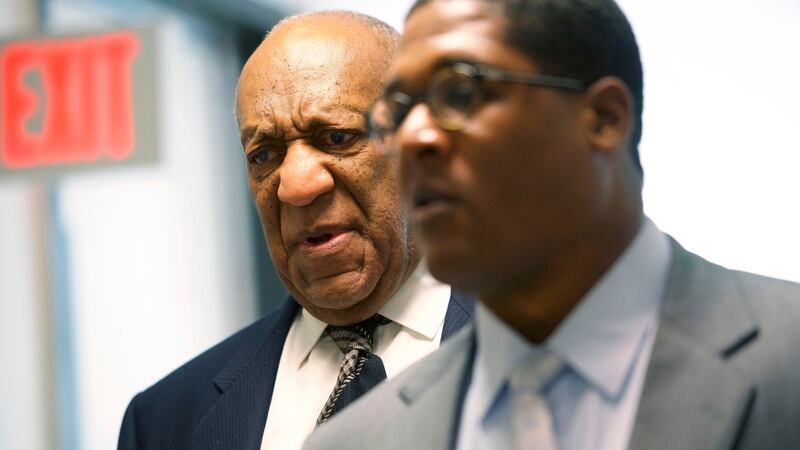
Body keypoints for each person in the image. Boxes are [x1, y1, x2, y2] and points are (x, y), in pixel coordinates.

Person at [304, 0, 800, 449]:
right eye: (400, 111)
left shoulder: (787, 357)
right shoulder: (358, 440)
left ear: (603, 118)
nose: (414, 139)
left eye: (460, 91)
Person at [117, 11, 473, 450]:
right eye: (264, 155)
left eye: (337, 138)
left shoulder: (547, 347)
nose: (296, 186)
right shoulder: (164, 421)